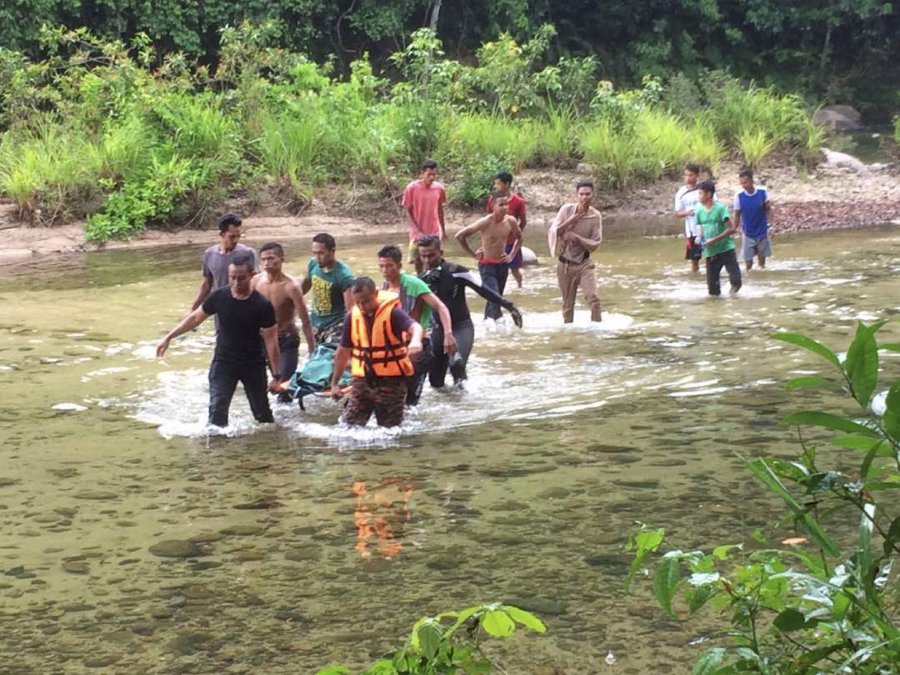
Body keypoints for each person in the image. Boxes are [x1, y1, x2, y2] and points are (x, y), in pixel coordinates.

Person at [157, 251, 281, 427]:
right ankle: (216, 450)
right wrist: (169, 337)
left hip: (253, 364)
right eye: (232, 278)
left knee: (263, 416)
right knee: (217, 413)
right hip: (224, 362)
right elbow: (194, 318)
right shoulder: (219, 296)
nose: (236, 283)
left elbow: (271, 341)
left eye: (241, 278)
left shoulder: (262, 305)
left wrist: (276, 376)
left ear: (252, 275)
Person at [416, 235, 523, 390]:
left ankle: (464, 401)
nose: (427, 260)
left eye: (431, 255)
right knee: (435, 381)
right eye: (423, 256)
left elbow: (484, 290)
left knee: (456, 363)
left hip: (461, 327)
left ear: (441, 252)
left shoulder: (457, 271)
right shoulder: (420, 280)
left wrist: (510, 306)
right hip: (437, 330)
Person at [329, 277, 424, 428]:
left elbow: (415, 327)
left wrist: (416, 341)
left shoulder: (393, 313)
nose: (362, 307)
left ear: (376, 294)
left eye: (365, 301)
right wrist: (334, 383)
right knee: (349, 427)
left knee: (389, 431)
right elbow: (343, 352)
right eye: (357, 302)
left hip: (391, 381)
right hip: (362, 381)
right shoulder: (352, 317)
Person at [377, 244, 456, 406]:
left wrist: (448, 334)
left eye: (389, 266)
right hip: (396, 348)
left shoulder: (414, 283)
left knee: (410, 400)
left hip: (419, 347)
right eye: (381, 266)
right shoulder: (384, 288)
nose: (385, 270)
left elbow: (440, 307)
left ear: (399, 266)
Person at [252, 242, 315, 402]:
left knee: (283, 387)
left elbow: (305, 320)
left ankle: (287, 422)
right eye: (263, 259)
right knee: (266, 383)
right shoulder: (256, 282)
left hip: (287, 339)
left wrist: (312, 349)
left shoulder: (291, 286)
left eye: (271, 258)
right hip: (264, 339)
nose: (267, 263)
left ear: (281, 259)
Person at [456, 192, 521, 322]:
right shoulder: (485, 222)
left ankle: (487, 322)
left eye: (506, 204)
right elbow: (460, 236)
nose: (504, 207)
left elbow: (519, 238)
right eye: (500, 205)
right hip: (487, 265)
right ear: (493, 206)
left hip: (502, 265)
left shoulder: (511, 221)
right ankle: (500, 324)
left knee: (495, 297)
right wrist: (473, 255)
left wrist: (512, 255)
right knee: (495, 297)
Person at [547, 180, 603, 323]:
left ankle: (596, 333)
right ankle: (568, 339)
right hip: (565, 264)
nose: (584, 197)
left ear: (593, 195)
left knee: (594, 300)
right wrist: (571, 220)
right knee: (567, 307)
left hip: (584, 263)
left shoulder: (595, 216)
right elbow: (554, 231)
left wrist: (577, 238)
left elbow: (595, 244)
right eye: (581, 194)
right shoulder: (566, 210)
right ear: (577, 195)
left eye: (588, 194)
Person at [189, 212, 258, 314]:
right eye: (232, 236)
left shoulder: (248, 253)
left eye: (238, 236)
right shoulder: (210, 254)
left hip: (244, 307)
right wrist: (193, 309)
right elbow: (207, 284)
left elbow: (257, 282)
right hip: (221, 307)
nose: (236, 240)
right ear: (222, 234)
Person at [301, 233, 355, 344]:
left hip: (336, 325)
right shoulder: (313, 264)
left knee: (330, 358)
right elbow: (305, 285)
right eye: (314, 253)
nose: (317, 257)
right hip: (316, 323)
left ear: (332, 251)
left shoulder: (344, 275)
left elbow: (351, 309)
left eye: (321, 253)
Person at [696, 180, 742, 297]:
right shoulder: (699, 211)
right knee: (713, 291)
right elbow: (701, 227)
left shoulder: (720, 209)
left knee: (737, 282)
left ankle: (732, 299)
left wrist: (714, 239)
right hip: (711, 253)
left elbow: (732, 228)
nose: (699, 196)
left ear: (708, 194)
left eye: (701, 193)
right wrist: (699, 236)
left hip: (726, 250)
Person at [402, 159, 447, 273]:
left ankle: (434, 282)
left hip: (434, 231)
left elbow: (440, 209)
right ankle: (421, 279)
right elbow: (407, 211)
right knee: (418, 260)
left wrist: (443, 230)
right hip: (417, 231)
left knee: (435, 258)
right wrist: (416, 231)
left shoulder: (439, 188)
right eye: (429, 174)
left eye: (434, 174)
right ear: (421, 174)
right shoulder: (411, 188)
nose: (432, 177)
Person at [487, 171, 528, 287]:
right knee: (494, 268)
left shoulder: (518, 201)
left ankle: (520, 285)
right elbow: (489, 219)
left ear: (507, 184)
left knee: (514, 269)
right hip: (495, 241)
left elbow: (523, 221)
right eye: (495, 184)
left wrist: (516, 233)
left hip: (510, 241)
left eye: (498, 184)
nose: (496, 187)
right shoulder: (492, 200)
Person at [732, 167, 774, 271]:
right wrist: (733, 229)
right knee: (748, 262)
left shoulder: (762, 192)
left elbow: (768, 209)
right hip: (748, 232)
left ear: (751, 181)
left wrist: (771, 226)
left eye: (745, 182)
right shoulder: (739, 196)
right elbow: (737, 214)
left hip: (762, 230)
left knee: (762, 263)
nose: (743, 185)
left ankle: (761, 279)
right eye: (741, 183)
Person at [674, 163, 703, 274]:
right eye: (686, 175)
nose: (687, 178)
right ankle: (695, 280)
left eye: (690, 175)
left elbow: (714, 204)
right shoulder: (681, 192)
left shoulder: (704, 188)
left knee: (713, 257)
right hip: (692, 230)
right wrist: (687, 213)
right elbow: (677, 213)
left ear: (697, 176)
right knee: (694, 260)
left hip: (707, 228)